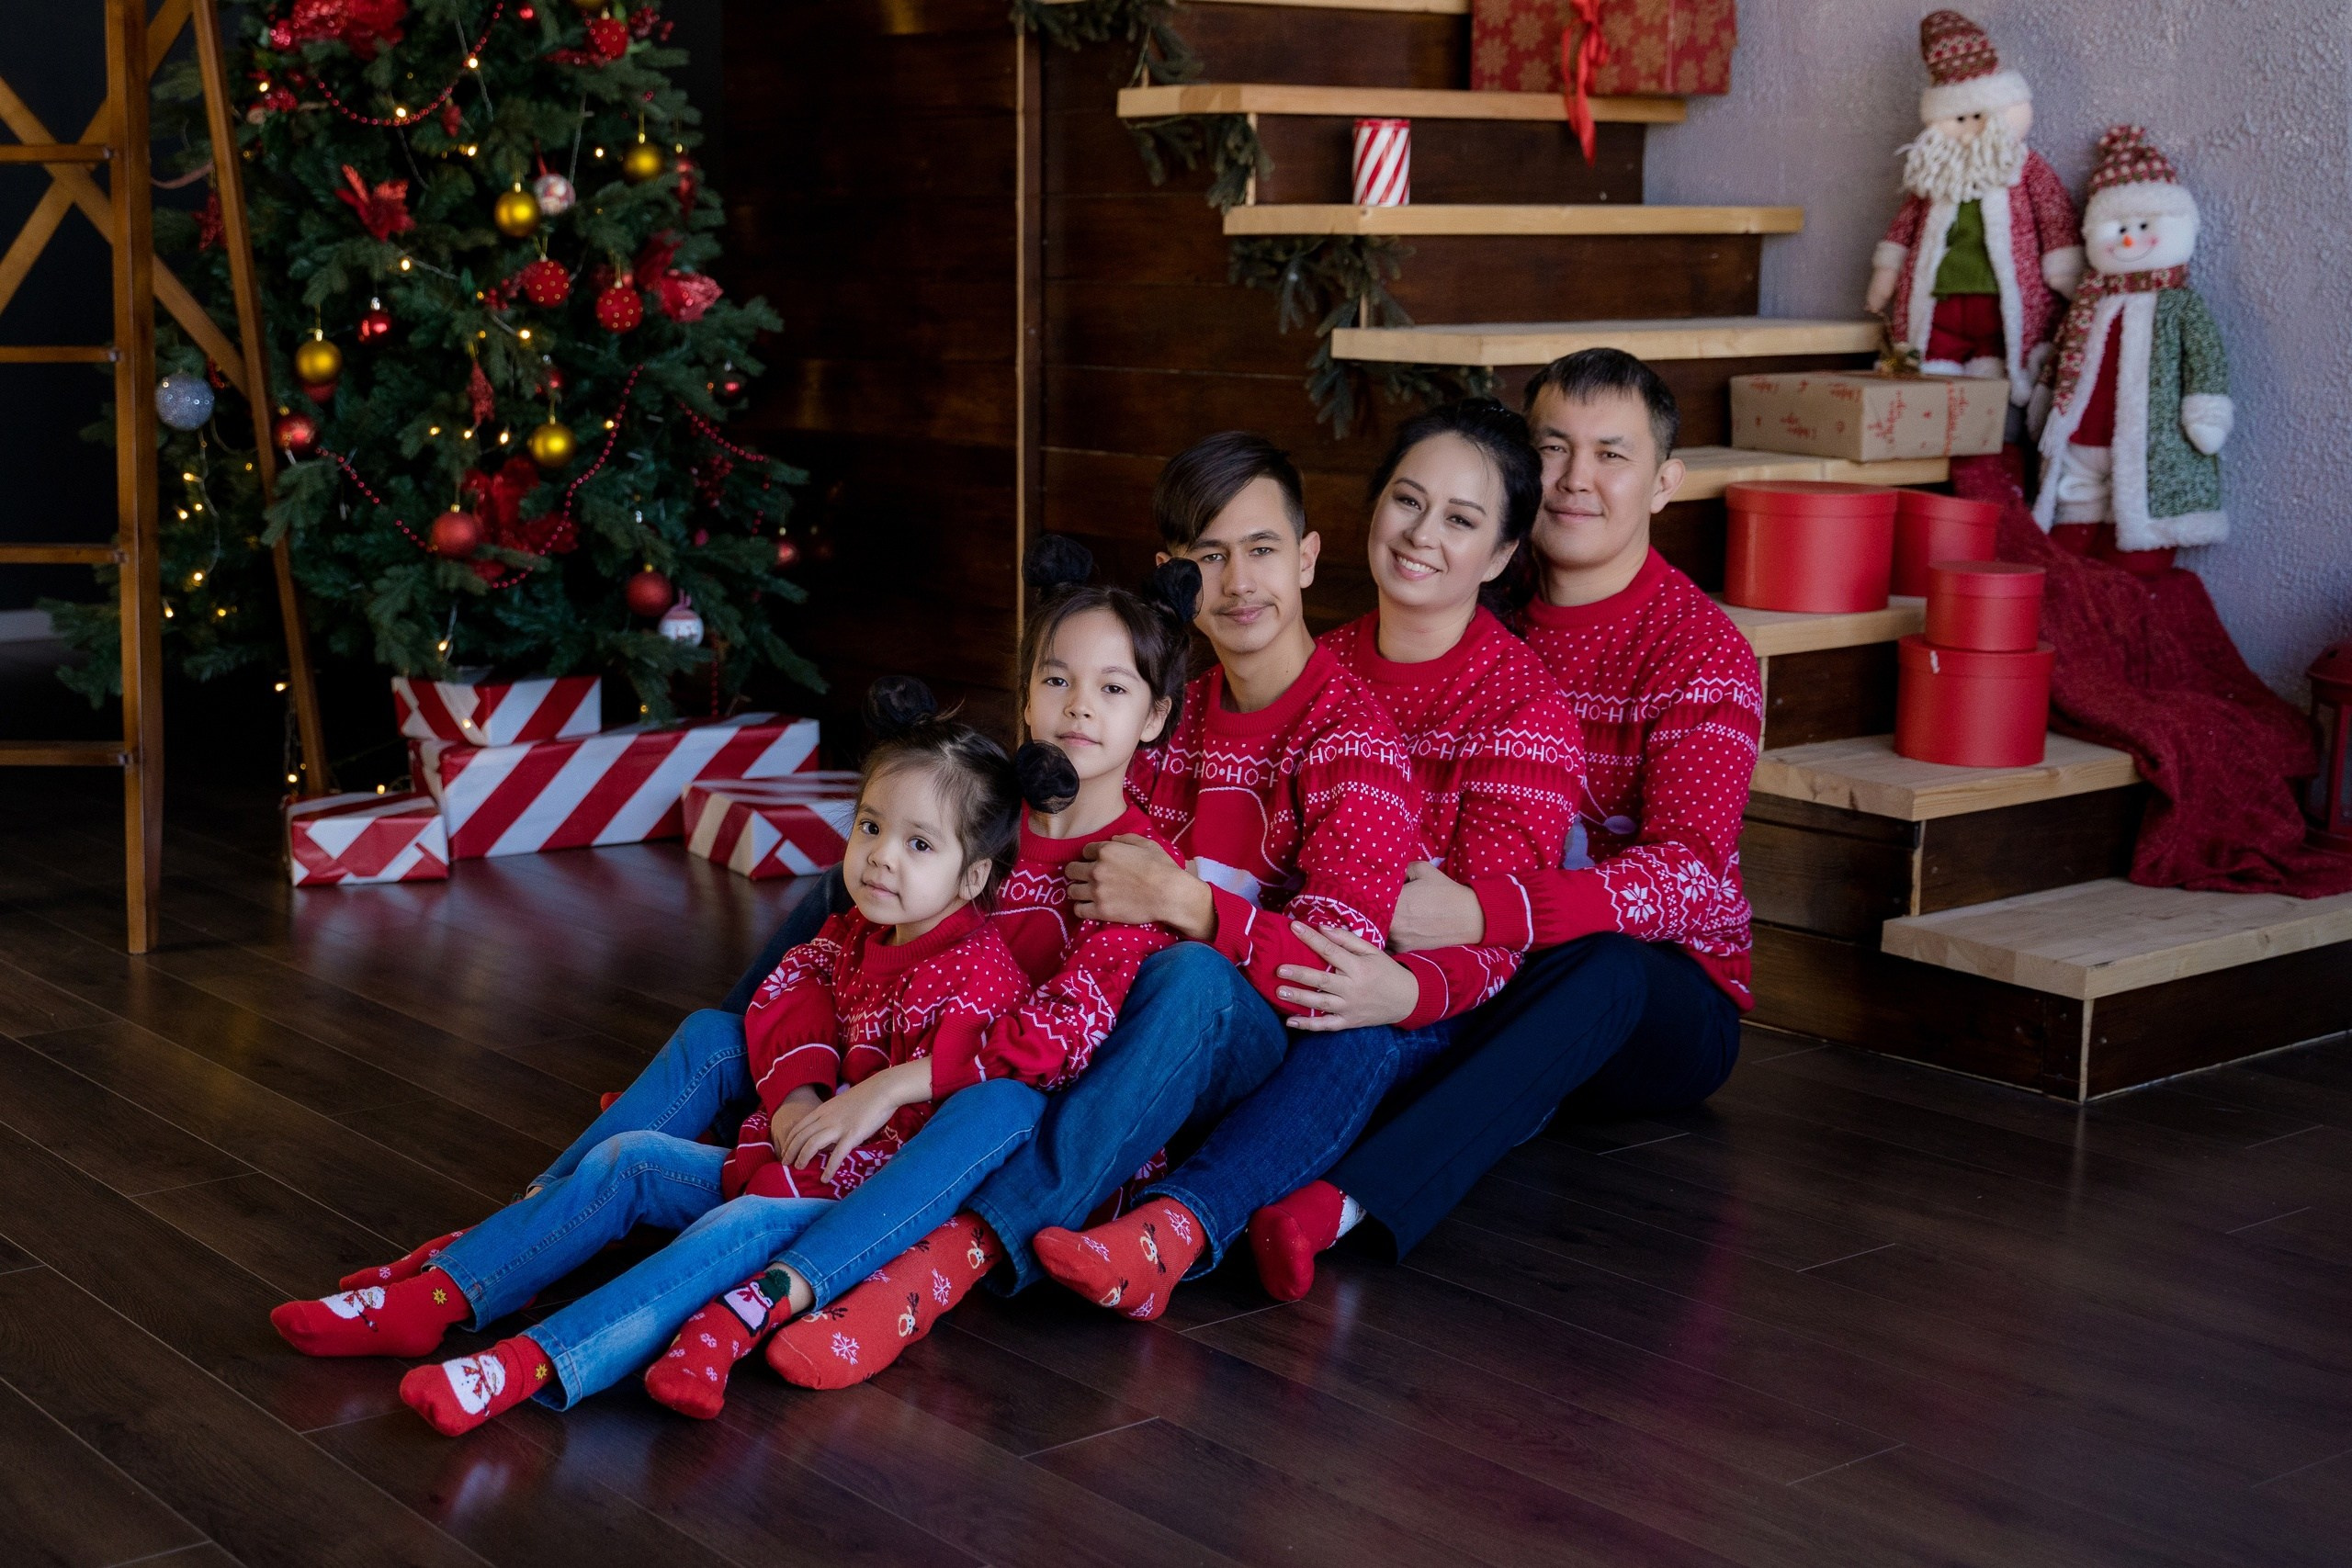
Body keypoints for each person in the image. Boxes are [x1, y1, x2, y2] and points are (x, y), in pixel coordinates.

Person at [759, 430, 1423, 1387]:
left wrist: (1192, 905)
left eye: (1262, 549)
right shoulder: (1161, 699)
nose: (1237, 580)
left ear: (1309, 558)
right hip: (1099, 1009)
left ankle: (961, 1251)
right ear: (1173, 576)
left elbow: (1335, 973)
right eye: (1208, 554)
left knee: (1182, 973)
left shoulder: (1350, 737)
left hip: (1246, 1035)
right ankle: (770, 1087)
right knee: (891, 865)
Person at [268, 684, 1051, 1436]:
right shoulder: (850, 935)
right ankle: (438, 1297)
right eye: (870, 828)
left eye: (918, 844)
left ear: (973, 876)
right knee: (628, 1155)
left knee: (735, 1228)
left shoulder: (980, 976)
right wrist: (793, 1097)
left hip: (838, 1207)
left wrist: (874, 1098)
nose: (881, 858)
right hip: (772, 1156)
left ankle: (525, 1363)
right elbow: (787, 990)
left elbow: (1008, 1067)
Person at [1019, 399, 1588, 1317]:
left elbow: (1478, 941)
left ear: (1501, 555)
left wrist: (1404, 989)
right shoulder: (1237, 687)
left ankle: (1173, 1222)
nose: (1422, 536)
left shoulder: (1505, 715)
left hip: (1412, 999)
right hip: (1263, 972)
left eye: (1461, 519)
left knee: (1347, 1022)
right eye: (1408, 501)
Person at [1249, 348, 1759, 1295]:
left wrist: (1488, 917)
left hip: (1653, 989)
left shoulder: (1701, 654)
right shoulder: (1469, 600)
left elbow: (1689, 877)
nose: (1574, 479)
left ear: (1663, 483)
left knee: (1603, 971)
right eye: (1552, 447)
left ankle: (1343, 1202)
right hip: (1451, 945)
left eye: (1611, 454)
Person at [654, 543, 1203, 1410]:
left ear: (1155, 716)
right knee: (760, 990)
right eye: (1056, 681)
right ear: (1024, 693)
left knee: (985, 1113)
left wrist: (896, 1083)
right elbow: (837, 950)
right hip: (890, 1077)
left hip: (1014, 1115)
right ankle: (574, 1201)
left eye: (1112, 688)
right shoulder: (971, 819)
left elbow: (1064, 1039)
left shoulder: (1130, 869)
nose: (1077, 710)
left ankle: (882, 1288)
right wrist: (819, 1080)